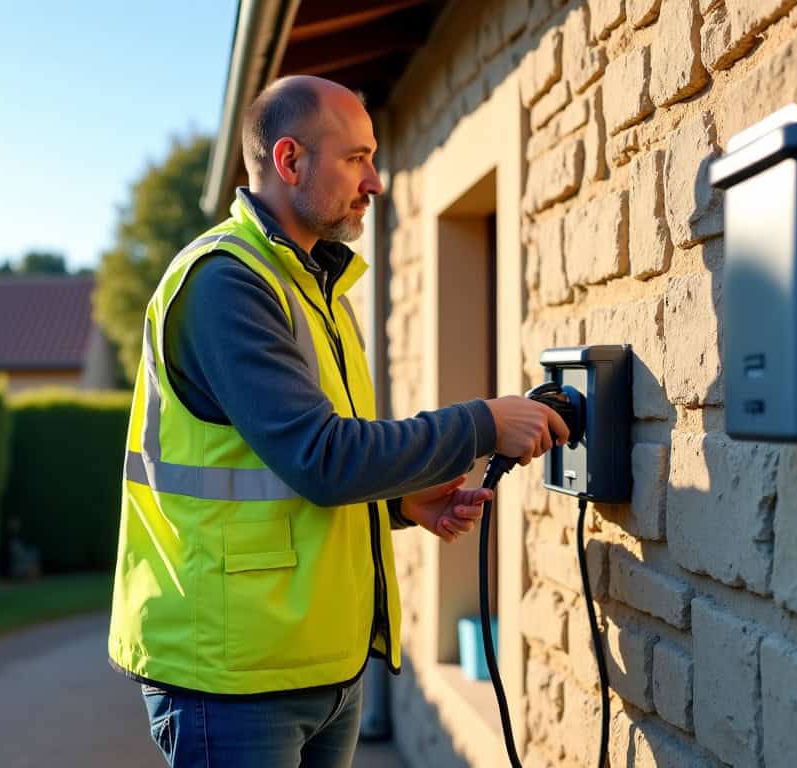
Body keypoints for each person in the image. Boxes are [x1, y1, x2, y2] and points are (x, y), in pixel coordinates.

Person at [109, 74, 568, 767]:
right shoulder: (227, 284)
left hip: (321, 669)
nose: (376, 181)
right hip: (232, 679)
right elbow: (322, 458)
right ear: (290, 161)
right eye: (356, 158)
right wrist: (481, 424)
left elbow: (277, 469)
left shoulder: (313, 286)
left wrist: (399, 503)